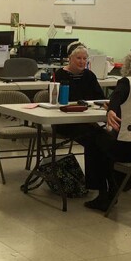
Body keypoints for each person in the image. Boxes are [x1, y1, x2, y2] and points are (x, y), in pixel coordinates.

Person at [83, 49, 131, 211]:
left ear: (130, 65)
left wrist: (111, 109)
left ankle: (104, 192)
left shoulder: (128, 82)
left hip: (124, 148)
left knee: (92, 137)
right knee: (104, 142)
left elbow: (117, 97)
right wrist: (114, 108)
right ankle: (117, 181)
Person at [51, 42, 107, 188]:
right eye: (78, 58)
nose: (82, 62)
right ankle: (94, 183)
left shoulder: (89, 76)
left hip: (87, 119)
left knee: (104, 138)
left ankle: (103, 180)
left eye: (84, 59)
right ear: (70, 58)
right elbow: (55, 102)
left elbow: (99, 98)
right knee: (92, 140)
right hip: (66, 122)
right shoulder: (59, 75)